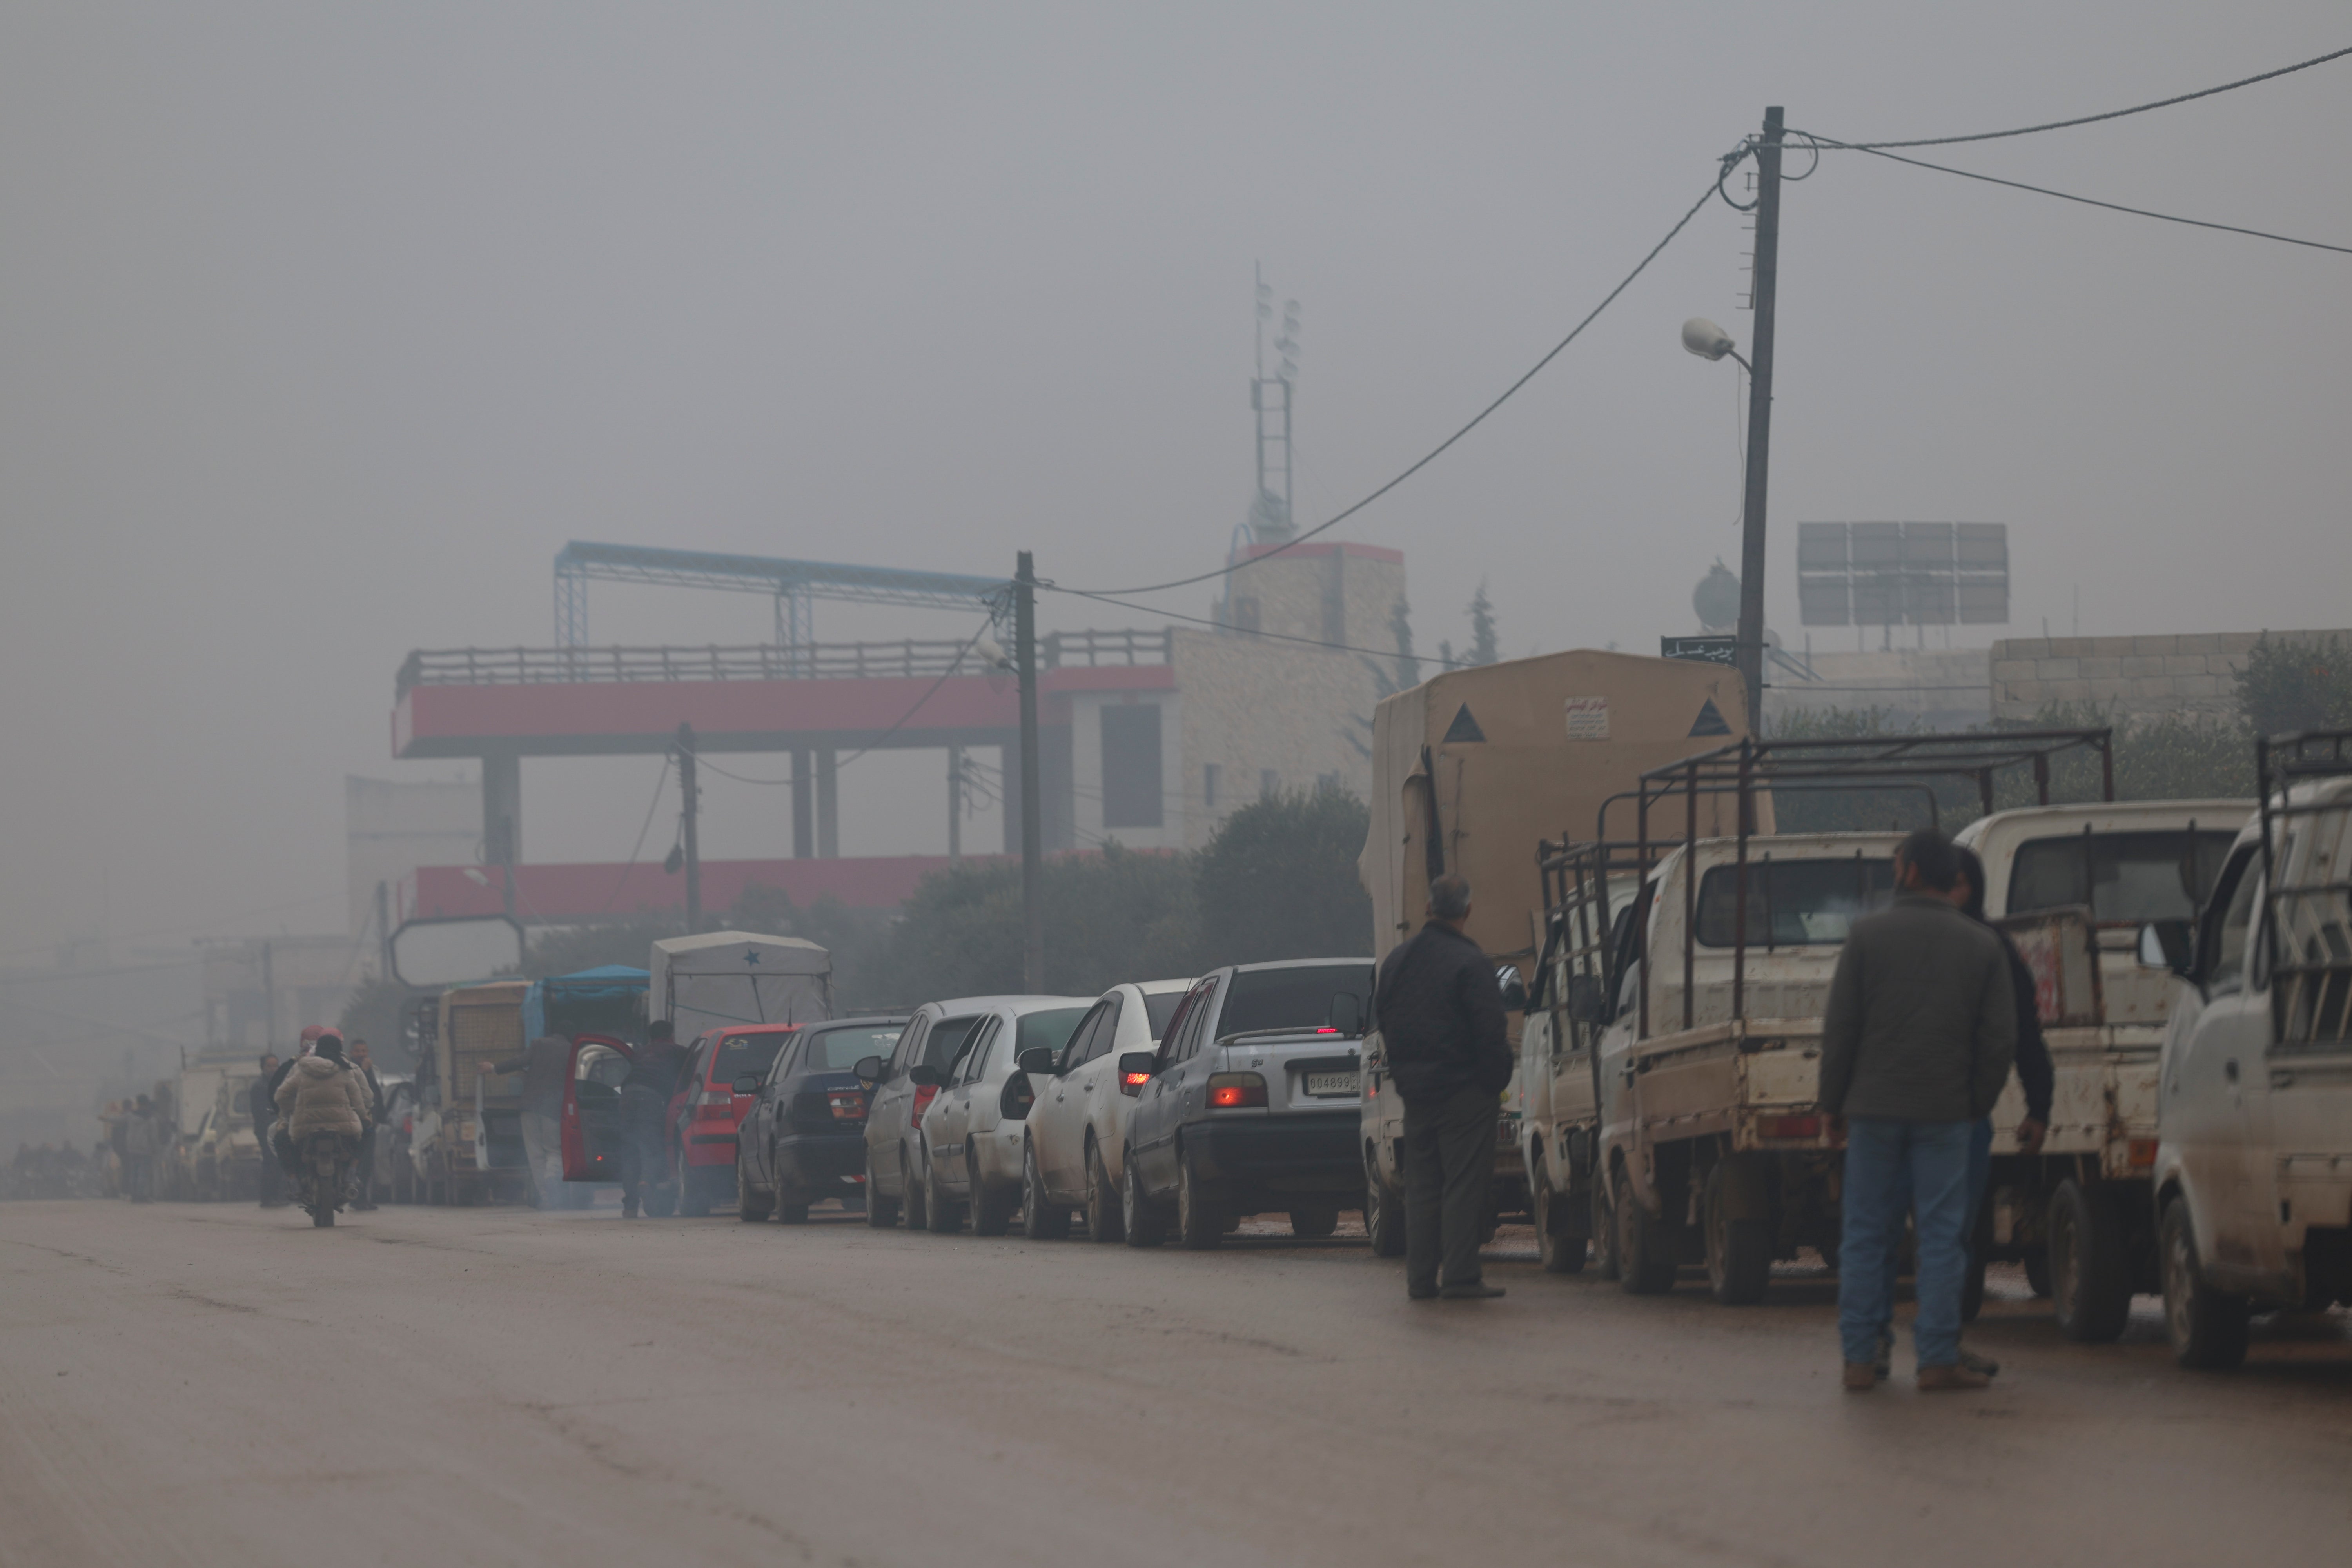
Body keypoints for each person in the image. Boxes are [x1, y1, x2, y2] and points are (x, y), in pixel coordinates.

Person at [1821, 828, 2016, 1392]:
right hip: (1947, 1114)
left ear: (1908, 870)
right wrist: (1974, 1103)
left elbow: (1842, 1030)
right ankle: (1936, 1358)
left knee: (1864, 1234)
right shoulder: (1981, 945)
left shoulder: (1866, 937)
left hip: (1874, 1112)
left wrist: (1832, 1103)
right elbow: (1999, 1038)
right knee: (1940, 1237)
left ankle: (1860, 1359)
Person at [1373, 873, 1516, 1301]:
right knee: (1462, 1183)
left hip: (1416, 1094)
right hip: (1465, 1092)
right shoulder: (1471, 963)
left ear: (1428, 909)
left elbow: (1387, 1021)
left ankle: (1420, 1279)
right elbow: (1491, 1032)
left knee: (1421, 1186)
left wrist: (1406, 1074)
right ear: (1467, 911)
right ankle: (1460, 1276)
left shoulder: (1398, 961)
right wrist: (1494, 1082)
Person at [272, 1030, 370, 1212]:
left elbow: (280, 1096)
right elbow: (359, 1100)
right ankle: (352, 1171)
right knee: (368, 1132)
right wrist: (363, 1116)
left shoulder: (302, 1069)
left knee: (281, 1140)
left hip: (304, 1128)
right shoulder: (345, 1070)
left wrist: (293, 1109)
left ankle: (293, 1180)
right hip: (343, 1126)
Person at [617, 1020, 689, 1220]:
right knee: (652, 1145)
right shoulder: (677, 1051)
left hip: (627, 1096)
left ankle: (630, 1208)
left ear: (651, 1037)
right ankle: (647, 1181)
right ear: (671, 1035)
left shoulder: (640, 1053)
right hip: (651, 1097)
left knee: (631, 1151)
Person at [347, 1039, 386, 1210]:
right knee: (359, 1162)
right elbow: (357, 1091)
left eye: (364, 1051)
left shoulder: (369, 1071)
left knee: (368, 1163)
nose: (362, 1054)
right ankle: (357, 1198)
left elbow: (374, 1095)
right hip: (356, 1123)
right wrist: (364, 1070)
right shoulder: (350, 1069)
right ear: (352, 1053)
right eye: (358, 1051)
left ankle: (363, 1198)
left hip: (370, 1123)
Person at [254, 1053, 289, 1207]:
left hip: (279, 1128)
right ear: (263, 1068)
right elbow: (261, 1113)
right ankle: (267, 1198)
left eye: (275, 1066)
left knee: (280, 1163)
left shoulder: (280, 1084)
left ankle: (278, 1196)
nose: (273, 1069)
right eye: (270, 1066)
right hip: (266, 1131)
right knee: (270, 1163)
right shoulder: (259, 1087)